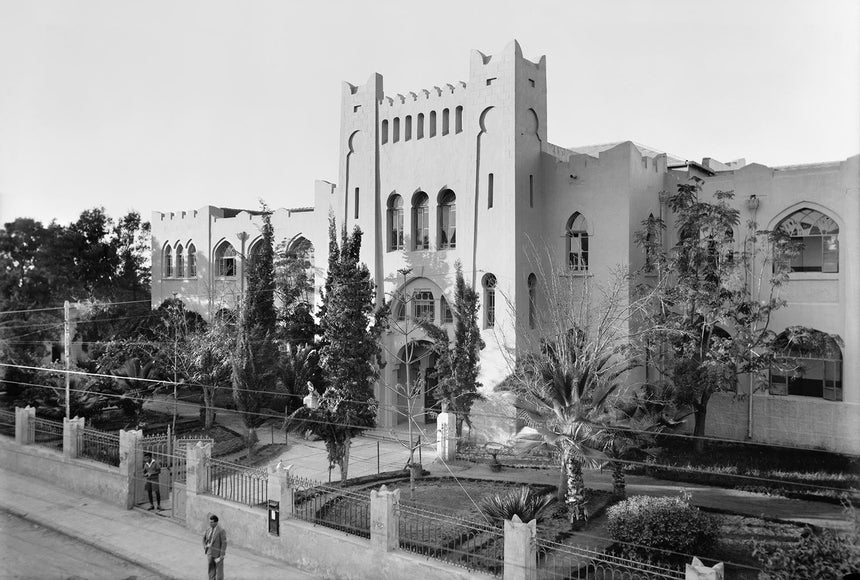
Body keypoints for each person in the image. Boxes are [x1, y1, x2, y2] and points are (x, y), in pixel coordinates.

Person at [203, 514, 227, 580]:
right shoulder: (208, 529)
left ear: (216, 522)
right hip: (209, 553)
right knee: (211, 569)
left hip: (218, 554)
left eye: (211, 522)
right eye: (209, 522)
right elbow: (204, 538)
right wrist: (205, 546)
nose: (210, 523)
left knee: (219, 571)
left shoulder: (221, 531)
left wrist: (222, 555)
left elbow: (224, 543)